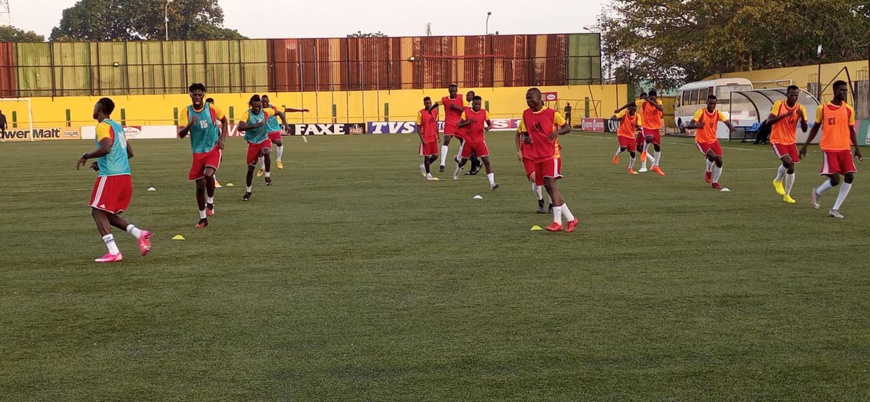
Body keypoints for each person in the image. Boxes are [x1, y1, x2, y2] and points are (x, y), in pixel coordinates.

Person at [76, 97, 151, 263]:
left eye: (95, 107)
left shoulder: (102, 126)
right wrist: (100, 162)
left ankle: (114, 252)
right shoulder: (118, 127)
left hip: (111, 175)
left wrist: (86, 156)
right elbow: (129, 153)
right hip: (125, 175)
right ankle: (139, 233)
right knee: (106, 214)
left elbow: (106, 148)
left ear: (100, 109)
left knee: (97, 211)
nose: (93, 110)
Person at [800, 80, 862, 218]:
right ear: (835, 91)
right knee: (835, 180)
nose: (844, 93)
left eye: (845, 90)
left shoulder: (849, 109)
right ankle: (817, 192)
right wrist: (805, 145)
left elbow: (851, 130)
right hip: (829, 148)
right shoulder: (823, 108)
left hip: (844, 148)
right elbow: (815, 128)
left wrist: (857, 148)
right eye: (841, 90)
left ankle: (835, 209)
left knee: (850, 176)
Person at [518, 88, 577, 232]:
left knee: (551, 185)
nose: (528, 101)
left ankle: (557, 222)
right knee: (548, 187)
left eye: (531, 98)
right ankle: (571, 219)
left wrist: (557, 132)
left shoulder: (551, 113)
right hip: (537, 156)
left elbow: (567, 128)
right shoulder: (526, 114)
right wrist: (526, 139)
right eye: (527, 98)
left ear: (539, 98)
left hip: (552, 155)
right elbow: (524, 133)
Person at [178, 83, 228, 228]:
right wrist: (190, 124)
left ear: (204, 95)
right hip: (198, 153)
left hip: (213, 148)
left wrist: (222, 139)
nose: (197, 97)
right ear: (190, 95)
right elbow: (181, 134)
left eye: (200, 94)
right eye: (194, 94)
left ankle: (210, 203)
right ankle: (203, 219)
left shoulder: (212, 108)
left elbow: (224, 120)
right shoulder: (186, 112)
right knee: (200, 186)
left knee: (208, 174)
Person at [765, 85, 808, 204]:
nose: (794, 97)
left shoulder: (801, 108)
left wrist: (802, 116)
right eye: (792, 95)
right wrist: (784, 115)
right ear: (787, 94)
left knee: (791, 167)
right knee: (788, 162)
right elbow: (769, 122)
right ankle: (778, 180)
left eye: (796, 95)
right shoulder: (779, 104)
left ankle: (787, 195)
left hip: (791, 141)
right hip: (777, 140)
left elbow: (804, 129)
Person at [688, 95, 734, 190]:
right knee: (712, 156)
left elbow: (726, 121)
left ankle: (715, 182)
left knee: (719, 161)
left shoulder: (718, 113)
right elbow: (689, 125)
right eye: (710, 103)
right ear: (707, 103)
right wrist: (699, 126)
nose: (712, 105)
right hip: (701, 141)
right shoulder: (700, 112)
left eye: (714, 104)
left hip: (713, 140)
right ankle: (708, 171)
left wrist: (730, 126)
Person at [255, 95, 308, 176]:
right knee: (262, 152)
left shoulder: (273, 108)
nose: (264, 103)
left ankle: (278, 160)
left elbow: (286, 110)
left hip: (275, 130)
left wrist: (301, 110)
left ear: (268, 101)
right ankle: (262, 168)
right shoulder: (258, 110)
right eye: (263, 102)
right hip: (265, 132)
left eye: (266, 101)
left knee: (279, 142)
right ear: (261, 102)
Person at [237, 94, 276, 201]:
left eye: (259, 106)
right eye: (255, 106)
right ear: (251, 105)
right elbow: (240, 127)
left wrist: (285, 124)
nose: (257, 108)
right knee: (250, 169)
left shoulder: (266, 112)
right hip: (253, 143)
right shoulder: (247, 114)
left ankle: (267, 176)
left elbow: (279, 113)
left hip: (264, 139)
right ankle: (248, 191)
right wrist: (253, 126)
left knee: (266, 151)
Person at [454, 96, 498, 190]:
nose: (477, 106)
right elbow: (459, 125)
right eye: (476, 104)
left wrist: (488, 128)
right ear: (472, 103)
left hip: (480, 141)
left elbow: (490, 124)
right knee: (463, 162)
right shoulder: (466, 113)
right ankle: (458, 168)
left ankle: (492, 183)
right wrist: (468, 122)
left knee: (486, 160)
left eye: (479, 104)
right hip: (468, 141)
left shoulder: (484, 112)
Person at [437, 83, 465, 172]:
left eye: (454, 91)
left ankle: (459, 158)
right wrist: (430, 109)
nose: (452, 93)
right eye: (451, 91)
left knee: (463, 142)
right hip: (449, 123)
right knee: (446, 140)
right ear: (448, 91)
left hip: (459, 123)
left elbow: (465, 111)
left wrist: (457, 107)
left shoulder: (461, 98)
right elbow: (436, 103)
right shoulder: (444, 99)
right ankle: (442, 164)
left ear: (457, 90)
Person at [611, 102, 643, 174]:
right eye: (632, 110)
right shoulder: (624, 113)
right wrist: (614, 117)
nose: (633, 112)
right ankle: (616, 155)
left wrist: (638, 127)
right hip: (622, 134)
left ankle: (630, 168)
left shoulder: (637, 116)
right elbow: (615, 116)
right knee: (623, 147)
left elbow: (639, 125)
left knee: (633, 153)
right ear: (629, 109)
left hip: (631, 136)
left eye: (634, 110)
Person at [638, 90, 665, 175]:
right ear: (649, 96)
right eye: (651, 96)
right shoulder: (644, 103)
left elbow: (661, 108)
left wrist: (651, 101)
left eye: (654, 96)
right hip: (646, 126)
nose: (653, 98)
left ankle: (655, 166)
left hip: (656, 127)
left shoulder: (658, 102)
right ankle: (644, 152)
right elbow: (634, 103)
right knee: (648, 137)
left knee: (657, 146)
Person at [416, 96, 440, 180]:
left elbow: (436, 123)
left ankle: (424, 165)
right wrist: (422, 139)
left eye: (430, 103)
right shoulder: (420, 113)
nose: (429, 104)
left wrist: (438, 135)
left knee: (436, 156)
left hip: (433, 137)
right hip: (426, 137)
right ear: (424, 104)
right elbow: (418, 127)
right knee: (426, 156)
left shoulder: (435, 111)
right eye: (427, 103)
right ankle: (428, 174)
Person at [204, 97, 223, 188]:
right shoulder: (204, 116)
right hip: (206, 144)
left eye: (212, 104)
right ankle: (213, 179)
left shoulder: (215, 114)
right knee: (209, 162)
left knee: (217, 160)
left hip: (215, 142)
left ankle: (211, 178)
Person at [462, 90, 482, 175]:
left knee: (466, 151)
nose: (466, 97)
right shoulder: (468, 105)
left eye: (468, 95)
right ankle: (473, 169)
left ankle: (477, 162)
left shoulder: (470, 106)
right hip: (473, 132)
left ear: (472, 97)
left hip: (470, 133)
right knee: (473, 151)